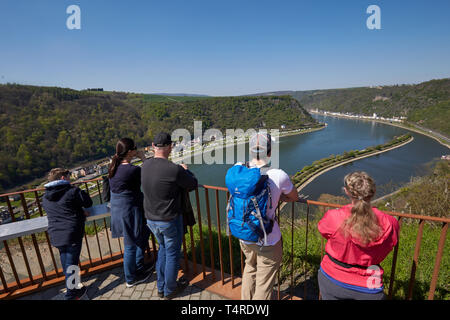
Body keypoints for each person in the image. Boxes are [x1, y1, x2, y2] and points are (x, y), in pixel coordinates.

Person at [317, 171, 400, 300]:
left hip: (332, 277)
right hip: (369, 286)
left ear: (346, 191)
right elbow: (389, 244)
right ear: (372, 192)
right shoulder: (390, 222)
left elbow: (323, 230)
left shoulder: (335, 217)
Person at [236, 133, 299, 300]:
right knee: (264, 283)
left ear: (250, 152)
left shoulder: (239, 169)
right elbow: (294, 197)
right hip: (267, 239)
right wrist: (279, 197)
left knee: (250, 268)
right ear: (270, 153)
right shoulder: (278, 175)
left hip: (244, 234)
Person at [141, 132, 198, 300]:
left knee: (163, 250)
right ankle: (170, 290)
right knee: (172, 253)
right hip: (169, 219)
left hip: (151, 219)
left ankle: (161, 287)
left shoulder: (144, 166)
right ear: (170, 147)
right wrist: (186, 170)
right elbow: (192, 184)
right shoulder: (173, 169)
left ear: (153, 146)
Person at [108, 138, 153, 288]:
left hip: (120, 209)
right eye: (135, 148)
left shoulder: (114, 166)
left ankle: (139, 267)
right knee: (130, 245)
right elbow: (149, 176)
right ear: (130, 152)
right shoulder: (132, 170)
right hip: (129, 210)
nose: (137, 149)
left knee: (142, 235)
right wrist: (143, 158)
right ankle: (130, 278)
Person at [42, 168, 93, 300]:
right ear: (63, 178)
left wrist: (78, 211)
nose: (70, 177)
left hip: (56, 235)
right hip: (71, 234)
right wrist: (75, 189)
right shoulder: (72, 191)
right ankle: (71, 296)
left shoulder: (45, 197)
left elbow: (62, 209)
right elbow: (88, 202)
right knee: (72, 266)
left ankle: (75, 288)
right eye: (69, 175)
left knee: (67, 263)